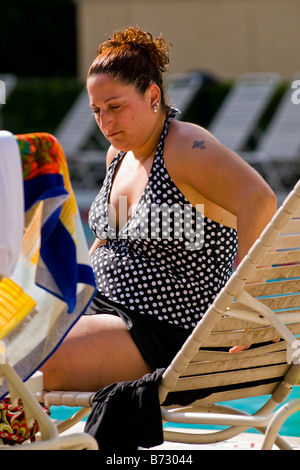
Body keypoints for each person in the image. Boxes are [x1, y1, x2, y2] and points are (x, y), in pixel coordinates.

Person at [41, 26, 277, 392]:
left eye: (115, 107)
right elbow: (112, 239)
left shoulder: (185, 146)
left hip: (161, 327)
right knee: (12, 340)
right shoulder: (119, 156)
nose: (105, 123)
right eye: (96, 111)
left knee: (38, 361)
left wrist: (248, 307)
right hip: (104, 307)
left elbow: (259, 200)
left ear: (153, 95)